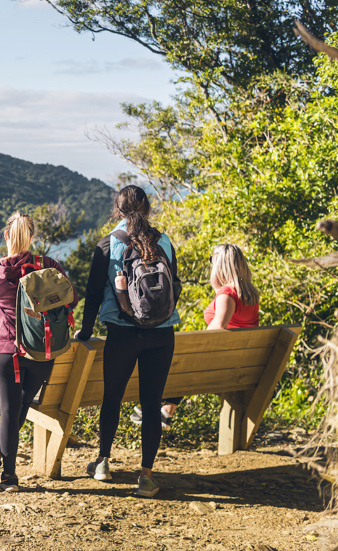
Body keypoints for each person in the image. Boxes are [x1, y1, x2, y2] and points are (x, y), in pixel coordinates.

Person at [73, 185, 181, 498]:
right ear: (147, 208)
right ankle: (146, 476)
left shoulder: (108, 244)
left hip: (121, 333)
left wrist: (85, 329)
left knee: (113, 398)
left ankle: (103, 463)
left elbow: (93, 294)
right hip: (162, 334)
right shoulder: (165, 241)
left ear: (118, 209)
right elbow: (175, 286)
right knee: (151, 403)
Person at [0, 211, 78, 492]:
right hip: (40, 350)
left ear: (6, 236)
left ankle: (7, 473)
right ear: (33, 237)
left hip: (6, 350)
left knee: (11, 409)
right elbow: (69, 300)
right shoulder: (49, 266)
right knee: (21, 406)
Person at [131, 243, 259, 428]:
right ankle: (164, 410)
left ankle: (157, 405)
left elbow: (218, 327)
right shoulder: (250, 295)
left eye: (212, 260)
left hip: (220, 364)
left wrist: (195, 348)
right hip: (240, 364)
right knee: (187, 362)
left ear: (221, 265)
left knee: (185, 359)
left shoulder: (227, 294)